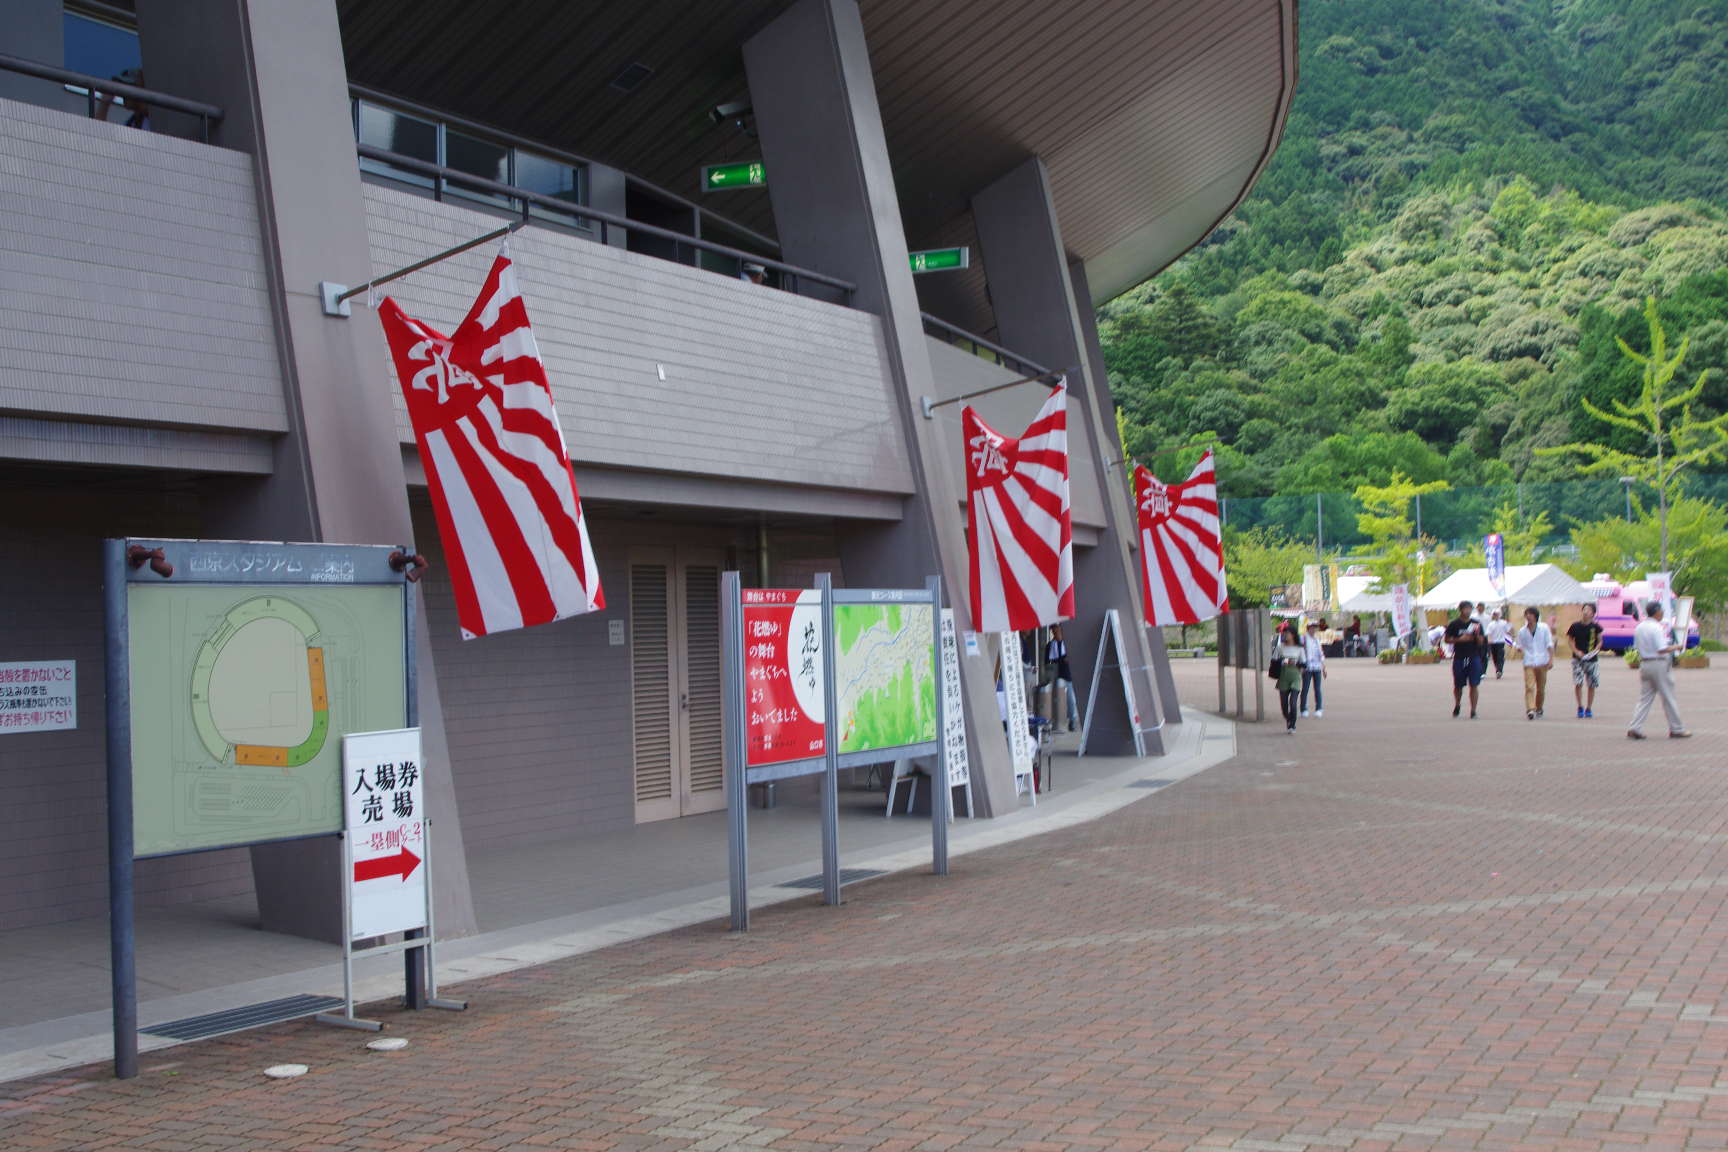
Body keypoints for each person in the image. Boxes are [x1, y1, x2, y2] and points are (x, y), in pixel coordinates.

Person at [1628, 601, 1691, 740]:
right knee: (1668, 696)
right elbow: (1661, 648)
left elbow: (1636, 647)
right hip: (1659, 664)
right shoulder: (1656, 628)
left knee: (1645, 698)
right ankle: (1677, 728)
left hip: (1645, 664)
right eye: (1661, 610)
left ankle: (1635, 727)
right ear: (1656, 612)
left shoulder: (1640, 627)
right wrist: (1676, 647)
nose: (1662, 612)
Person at [1443, 599, 1486, 718]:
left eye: (1469, 609)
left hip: (1473, 656)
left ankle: (1473, 710)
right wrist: (1459, 640)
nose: (1467, 611)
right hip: (1459, 657)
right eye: (1465, 609)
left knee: (1474, 684)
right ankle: (1457, 704)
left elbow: (1481, 641)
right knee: (1458, 684)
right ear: (1460, 610)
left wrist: (1476, 635)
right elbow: (1446, 639)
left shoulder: (1476, 624)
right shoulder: (1454, 624)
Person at [1510, 606, 1554, 720]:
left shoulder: (1544, 628)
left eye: (1531, 614)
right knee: (1529, 686)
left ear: (1535, 616)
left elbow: (1549, 644)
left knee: (1541, 688)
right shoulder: (1522, 631)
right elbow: (1519, 645)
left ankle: (1539, 707)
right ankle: (1530, 709)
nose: (1528, 616)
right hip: (1529, 661)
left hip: (1542, 660)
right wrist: (1519, 649)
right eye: (1527, 614)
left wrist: (1550, 659)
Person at [1567, 603, 1604, 719]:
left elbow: (1600, 641)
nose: (1585, 612)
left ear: (1593, 614)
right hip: (1577, 659)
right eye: (1584, 609)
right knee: (1578, 683)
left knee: (1591, 684)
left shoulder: (1596, 627)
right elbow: (1570, 640)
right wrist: (1576, 651)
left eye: (1588, 610)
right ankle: (1580, 706)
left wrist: (1595, 651)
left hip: (1592, 659)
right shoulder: (1575, 626)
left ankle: (1589, 707)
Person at [1044, 624, 1078, 732]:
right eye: (1053, 632)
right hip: (1056, 675)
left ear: (1061, 630)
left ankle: (1072, 720)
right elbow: (1046, 662)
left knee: (1070, 699)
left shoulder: (1068, 642)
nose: (1055, 633)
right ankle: (1058, 721)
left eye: (1057, 631)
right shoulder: (1050, 645)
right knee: (1056, 699)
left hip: (1068, 674)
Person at [1271, 623, 1303, 734]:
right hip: (1283, 677)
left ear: (1293, 635)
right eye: (1284, 633)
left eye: (1287, 633)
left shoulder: (1299, 649)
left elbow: (1304, 663)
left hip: (1295, 677)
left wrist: (1296, 663)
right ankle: (1288, 718)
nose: (1285, 635)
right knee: (1284, 706)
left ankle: (1292, 725)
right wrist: (1283, 661)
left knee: (1293, 703)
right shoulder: (1280, 648)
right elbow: (1274, 660)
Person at [1299, 620, 1326, 717]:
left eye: (1315, 628)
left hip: (1317, 667)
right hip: (1307, 667)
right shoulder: (1303, 638)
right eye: (1312, 627)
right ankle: (1303, 709)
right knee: (1305, 688)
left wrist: (1323, 667)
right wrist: (1301, 665)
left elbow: (1320, 653)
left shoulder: (1317, 639)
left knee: (1317, 689)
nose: (1314, 629)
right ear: (1308, 628)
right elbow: (1300, 651)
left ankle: (1319, 708)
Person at [1484, 610, 1511, 679]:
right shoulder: (1491, 624)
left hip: (1501, 642)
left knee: (1500, 657)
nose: (1495, 616)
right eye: (1494, 614)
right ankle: (1498, 669)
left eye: (1497, 614)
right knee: (1495, 657)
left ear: (1500, 615)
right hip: (1493, 643)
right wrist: (1489, 640)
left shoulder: (1504, 623)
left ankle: (1499, 670)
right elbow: (1488, 633)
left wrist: (1509, 642)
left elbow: (1508, 632)